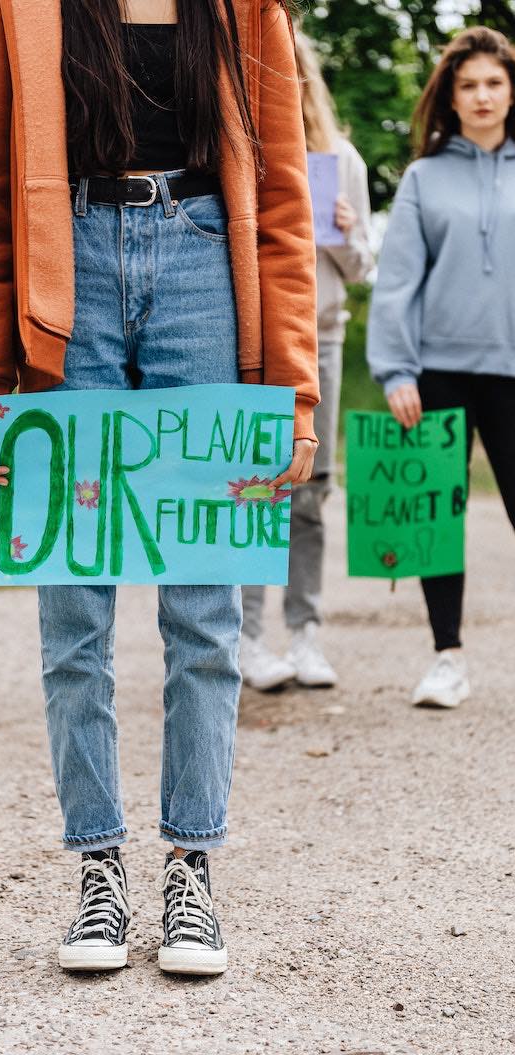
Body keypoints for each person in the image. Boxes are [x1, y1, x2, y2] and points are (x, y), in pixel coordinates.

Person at [0, 0, 319, 976]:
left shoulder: (249, 12)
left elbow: (283, 203)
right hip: (66, 271)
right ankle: (98, 867)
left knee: (204, 611)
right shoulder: (21, 10)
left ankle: (192, 864)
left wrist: (291, 390)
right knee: (72, 611)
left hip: (207, 270)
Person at [367, 26, 515, 709]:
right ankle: (446, 657)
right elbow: (397, 281)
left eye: (492, 82)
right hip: (438, 373)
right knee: (437, 518)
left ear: (510, 91)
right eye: (468, 85)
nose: (481, 96)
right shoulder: (424, 178)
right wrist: (396, 370)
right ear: (450, 98)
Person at [241, 29, 374, 692]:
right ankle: (245, 637)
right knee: (247, 486)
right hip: (244, 341)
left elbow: (361, 267)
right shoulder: (237, 150)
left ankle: (305, 634)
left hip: (318, 338)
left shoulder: (337, 157)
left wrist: (349, 232)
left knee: (308, 493)